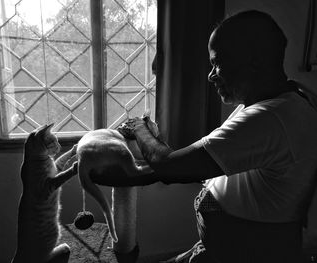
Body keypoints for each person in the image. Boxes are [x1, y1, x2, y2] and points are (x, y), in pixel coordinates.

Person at [91, 10, 317, 263]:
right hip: (225, 246)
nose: (211, 76)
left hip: (247, 252)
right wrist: (134, 175)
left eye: (217, 63)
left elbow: (170, 165)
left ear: (254, 62)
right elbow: (212, 164)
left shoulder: (270, 119)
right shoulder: (272, 102)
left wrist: (138, 128)